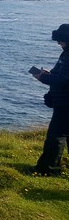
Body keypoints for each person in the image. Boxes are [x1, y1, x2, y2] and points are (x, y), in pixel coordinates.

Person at [31, 23, 69, 176]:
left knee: (56, 136)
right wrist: (48, 74)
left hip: (66, 104)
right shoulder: (66, 53)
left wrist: (43, 77)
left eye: (60, 40)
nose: (58, 43)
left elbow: (63, 80)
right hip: (64, 101)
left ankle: (48, 170)